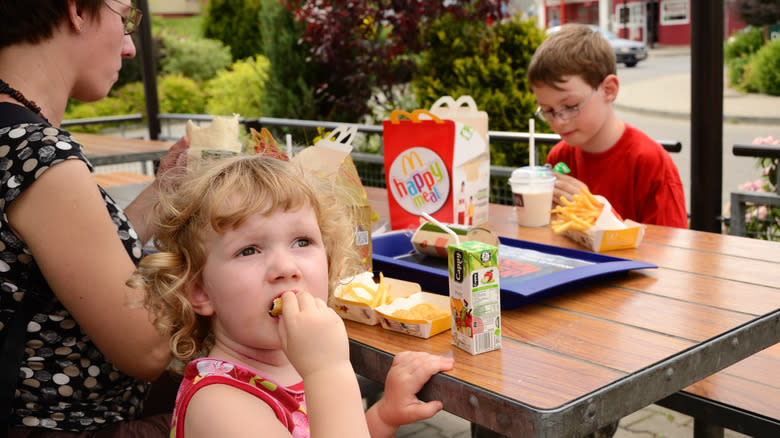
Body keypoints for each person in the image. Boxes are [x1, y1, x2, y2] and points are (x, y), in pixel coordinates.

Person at [129, 156, 455, 438]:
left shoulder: (298, 364)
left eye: (302, 242)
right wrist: (329, 371)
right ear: (200, 291)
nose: (286, 267)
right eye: (249, 250)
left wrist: (384, 415)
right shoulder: (220, 404)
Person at [0, 1, 189, 435]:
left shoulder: (13, 138)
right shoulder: (39, 154)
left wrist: (167, 191)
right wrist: (228, 256)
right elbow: (146, 352)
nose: (129, 48)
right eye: (124, 17)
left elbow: (66, 266)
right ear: (77, 11)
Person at [528, 23, 688, 229]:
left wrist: (598, 215)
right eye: (548, 111)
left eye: (570, 106)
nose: (559, 121)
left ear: (608, 90)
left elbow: (671, 251)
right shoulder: (559, 158)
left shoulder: (650, 163)